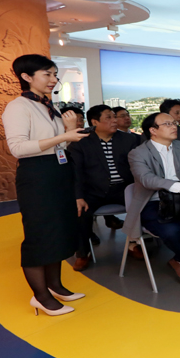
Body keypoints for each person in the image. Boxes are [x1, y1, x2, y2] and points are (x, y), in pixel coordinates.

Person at [2, 54, 90, 316]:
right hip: (36, 176)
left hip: (57, 172)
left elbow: (58, 147)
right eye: (47, 74)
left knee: (59, 231)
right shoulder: (18, 106)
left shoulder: (47, 105)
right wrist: (64, 135)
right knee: (40, 235)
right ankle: (40, 297)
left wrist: (67, 131)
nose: (53, 79)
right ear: (26, 77)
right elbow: (18, 148)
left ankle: (55, 286)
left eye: (55, 74)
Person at [126, 112, 180, 285]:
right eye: (167, 124)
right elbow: (147, 179)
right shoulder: (138, 153)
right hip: (153, 202)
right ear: (153, 130)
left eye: (174, 123)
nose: (174, 126)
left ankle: (179, 259)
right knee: (172, 232)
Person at [67, 104, 138, 271]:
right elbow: (76, 173)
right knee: (80, 213)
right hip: (93, 191)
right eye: (109, 117)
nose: (114, 120)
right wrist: (78, 197)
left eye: (114, 117)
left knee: (142, 206)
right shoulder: (81, 142)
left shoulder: (129, 140)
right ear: (95, 122)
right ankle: (83, 253)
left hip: (123, 189)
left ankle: (134, 244)